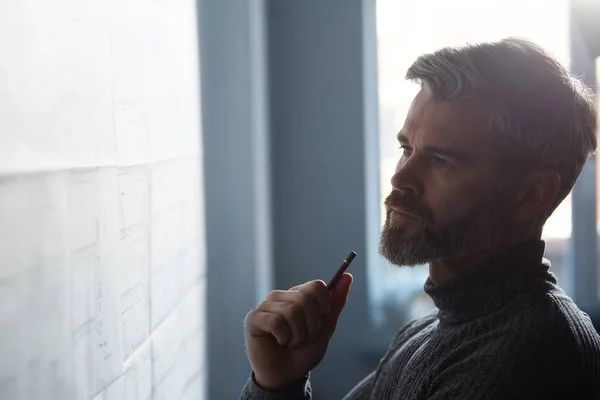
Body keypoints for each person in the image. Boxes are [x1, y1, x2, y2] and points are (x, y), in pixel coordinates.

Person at [240, 38, 600, 399]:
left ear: (531, 194)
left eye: (442, 160)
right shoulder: (433, 328)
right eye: (406, 149)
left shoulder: (521, 360)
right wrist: (279, 382)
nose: (400, 179)